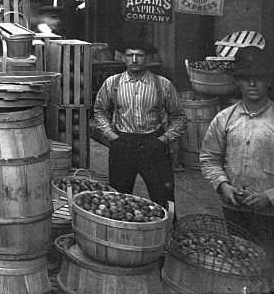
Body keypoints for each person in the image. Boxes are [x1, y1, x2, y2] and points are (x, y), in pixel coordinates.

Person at [199, 46, 274, 264]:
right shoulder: (225, 119)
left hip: (270, 214)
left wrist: (268, 196)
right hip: (234, 208)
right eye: (245, 78)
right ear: (237, 82)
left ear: (269, 81)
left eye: (259, 78)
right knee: (239, 261)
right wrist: (223, 185)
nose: (252, 84)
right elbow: (209, 158)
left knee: (268, 264)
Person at [93, 36, 186, 206]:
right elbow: (100, 111)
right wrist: (111, 135)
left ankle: (168, 223)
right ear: (123, 58)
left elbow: (179, 116)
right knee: (118, 200)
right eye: (130, 55)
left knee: (163, 197)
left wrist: (164, 139)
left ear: (147, 58)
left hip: (153, 145)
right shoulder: (112, 83)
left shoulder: (163, 85)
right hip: (122, 145)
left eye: (139, 55)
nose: (134, 60)